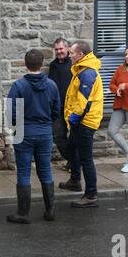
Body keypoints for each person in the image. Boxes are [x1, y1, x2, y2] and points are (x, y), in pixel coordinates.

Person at [6, 49, 60, 224]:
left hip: (24, 132)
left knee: (23, 171)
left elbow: (11, 113)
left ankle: (23, 213)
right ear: (42, 62)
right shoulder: (52, 85)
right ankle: (50, 210)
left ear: (25, 63)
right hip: (45, 132)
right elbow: (56, 111)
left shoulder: (19, 86)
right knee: (45, 170)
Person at [59, 41, 103, 208]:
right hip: (79, 121)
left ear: (81, 55)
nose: (69, 55)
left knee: (86, 158)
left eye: (72, 52)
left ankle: (91, 195)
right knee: (71, 149)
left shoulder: (87, 73)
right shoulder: (81, 69)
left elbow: (83, 101)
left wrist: (74, 118)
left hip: (85, 122)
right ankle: (75, 180)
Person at [49, 38, 73, 172]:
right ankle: (72, 160)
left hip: (73, 108)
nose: (59, 52)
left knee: (75, 137)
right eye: (56, 49)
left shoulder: (74, 64)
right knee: (57, 136)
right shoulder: (53, 65)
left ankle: (74, 163)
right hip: (58, 108)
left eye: (61, 49)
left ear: (67, 49)